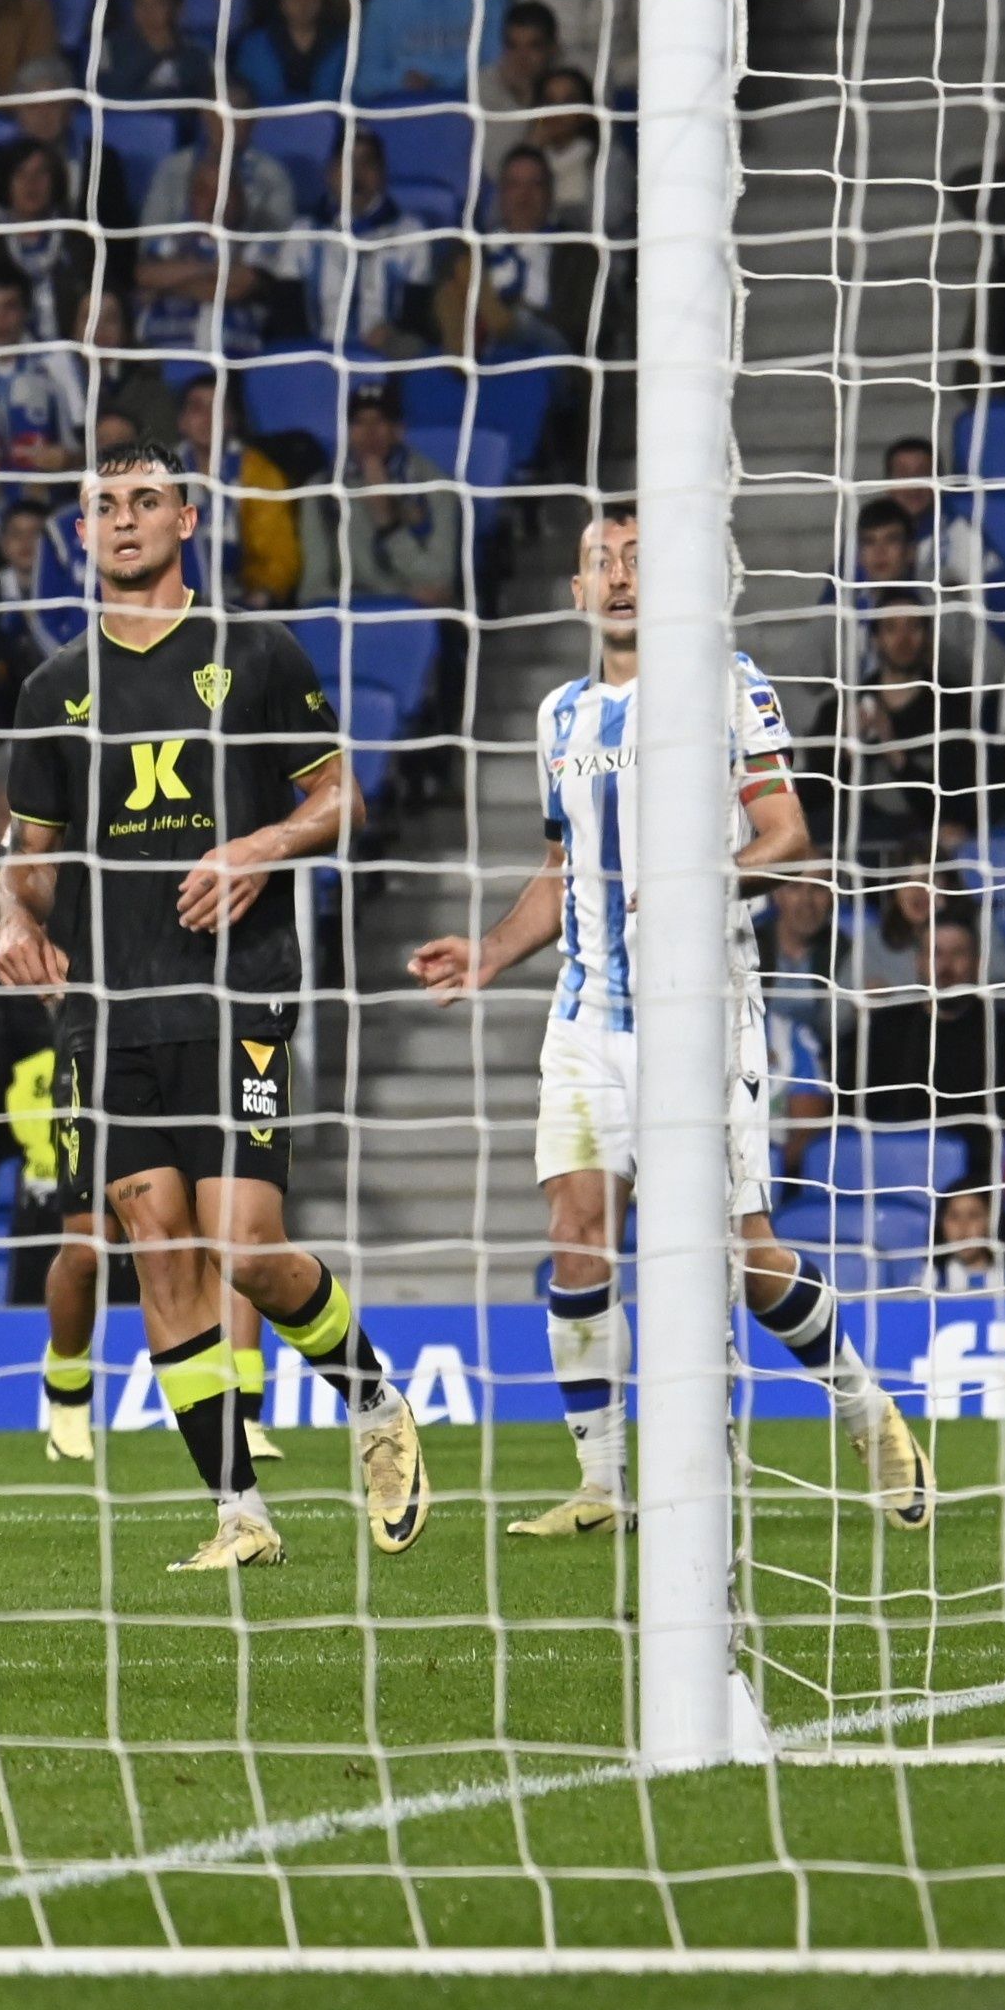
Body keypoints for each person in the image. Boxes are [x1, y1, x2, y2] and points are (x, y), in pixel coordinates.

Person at [412, 512, 927, 1539]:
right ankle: (601, 1485)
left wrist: (704, 877)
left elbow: (787, 836)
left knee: (741, 1252)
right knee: (573, 1238)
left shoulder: (721, 680)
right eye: (599, 562)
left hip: (700, 1011)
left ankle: (864, 1408)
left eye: (638, 560)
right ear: (572, 591)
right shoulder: (559, 714)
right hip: (582, 1009)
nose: (616, 578)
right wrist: (485, 953)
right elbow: (559, 870)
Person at [0, 444, 418, 1570]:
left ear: (186, 516)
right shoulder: (48, 690)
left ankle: (373, 1405)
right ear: (81, 534)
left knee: (245, 1250)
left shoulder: (257, 655)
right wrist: (12, 925)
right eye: (102, 507)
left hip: (236, 990)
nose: (122, 520)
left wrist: (260, 845)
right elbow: (24, 861)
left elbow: (337, 797)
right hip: (108, 1008)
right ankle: (239, 1513)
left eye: (143, 501)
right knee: (157, 1252)